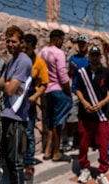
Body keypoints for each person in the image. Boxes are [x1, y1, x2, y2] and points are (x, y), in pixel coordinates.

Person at [0, 25, 32, 183]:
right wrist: (8, 85)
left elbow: (10, 90)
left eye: (13, 41)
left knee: (16, 161)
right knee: (6, 159)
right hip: (6, 114)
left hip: (16, 117)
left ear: (22, 42)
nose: (10, 44)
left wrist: (9, 85)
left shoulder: (24, 61)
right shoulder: (12, 61)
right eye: (8, 41)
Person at [76, 46, 109, 184]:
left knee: (103, 144)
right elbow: (78, 89)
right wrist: (85, 102)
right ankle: (84, 169)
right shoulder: (82, 73)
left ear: (100, 57)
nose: (95, 57)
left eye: (97, 55)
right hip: (85, 115)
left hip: (101, 115)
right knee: (83, 144)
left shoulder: (107, 73)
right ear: (89, 56)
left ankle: (102, 172)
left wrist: (102, 103)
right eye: (92, 55)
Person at [38, 29, 72, 162]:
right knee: (58, 122)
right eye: (62, 41)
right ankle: (56, 152)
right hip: (58, 90)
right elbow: (63, 76)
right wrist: (68, 94)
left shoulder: (42, 52)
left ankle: (47, 150)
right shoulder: (58, 53)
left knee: (51, 122)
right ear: (58, 39)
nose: (62, 43)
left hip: (46, 91)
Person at [23, 33, 49, 180]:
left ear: (33, 47)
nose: (24, 50)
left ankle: (29, 164)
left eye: (27, 48)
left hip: (29, 102)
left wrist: (34, 97)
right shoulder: (19, 59)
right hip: (16, 102)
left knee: (29, 133)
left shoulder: (39, 62)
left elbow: (44, 83)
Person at [64, 35, 89, 152]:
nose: (81, 45)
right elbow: (69, 75)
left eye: (83, 43)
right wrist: (72, 70)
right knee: (71, 117)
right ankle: (70, 141)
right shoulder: (72, 58)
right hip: (74, 91)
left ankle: (84, 141)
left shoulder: (90, 59)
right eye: (80, 43)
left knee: (86, 118)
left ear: (87, 44)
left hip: (87, 93)